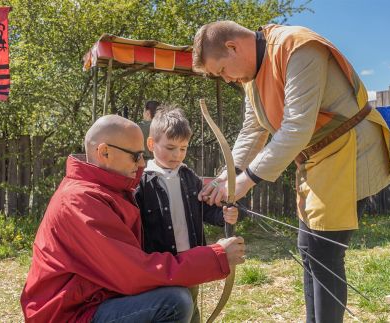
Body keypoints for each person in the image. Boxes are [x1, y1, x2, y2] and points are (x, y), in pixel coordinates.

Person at [192, 21, 390, 323]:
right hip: (319, 161)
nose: (227, 78)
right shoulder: (252, 75)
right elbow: (254, 128)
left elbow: (297, 128)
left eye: (222, 70)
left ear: (233, 47)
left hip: (349, 151)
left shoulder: (297, 46)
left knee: (324, 255)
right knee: (309, 250)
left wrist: (247, 180)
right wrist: (229, 174)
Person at [20, 114, 246, 323]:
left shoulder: (110, 189)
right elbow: (133, 273)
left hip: (94, 299)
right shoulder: (80, 201)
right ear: (104, 152)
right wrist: (215, 257)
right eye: (135, 156)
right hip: (72, 313)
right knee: (174, 303)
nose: (141, 164)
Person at [135, 106, 239, 323]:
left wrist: (224, 216)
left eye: (183, 148)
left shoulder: (188, 176)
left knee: (191, 309)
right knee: (170, 310)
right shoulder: (142, 183)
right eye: (171, 147)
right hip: (160, 265)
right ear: (151, 144)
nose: (177, 155)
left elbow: (205, 210)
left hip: (192, 259)